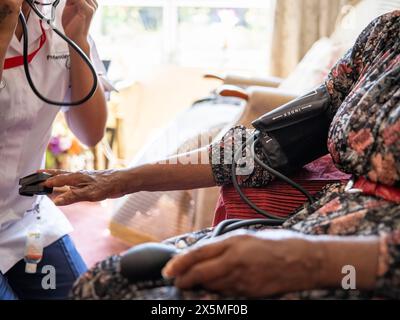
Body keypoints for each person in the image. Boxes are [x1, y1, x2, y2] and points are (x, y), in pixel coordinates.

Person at [45, 11, 399, 299]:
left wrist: (311, 261)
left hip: (365, 261)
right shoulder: (385, 35)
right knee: (103, 283)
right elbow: (265, 146)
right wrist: (120, 179)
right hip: (316, 224)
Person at [0, 0, 109, 299]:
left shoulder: (59, 15)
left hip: (27, 219)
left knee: (82, 294)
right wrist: (4, 26)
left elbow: (91, 132)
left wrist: (78, 40)